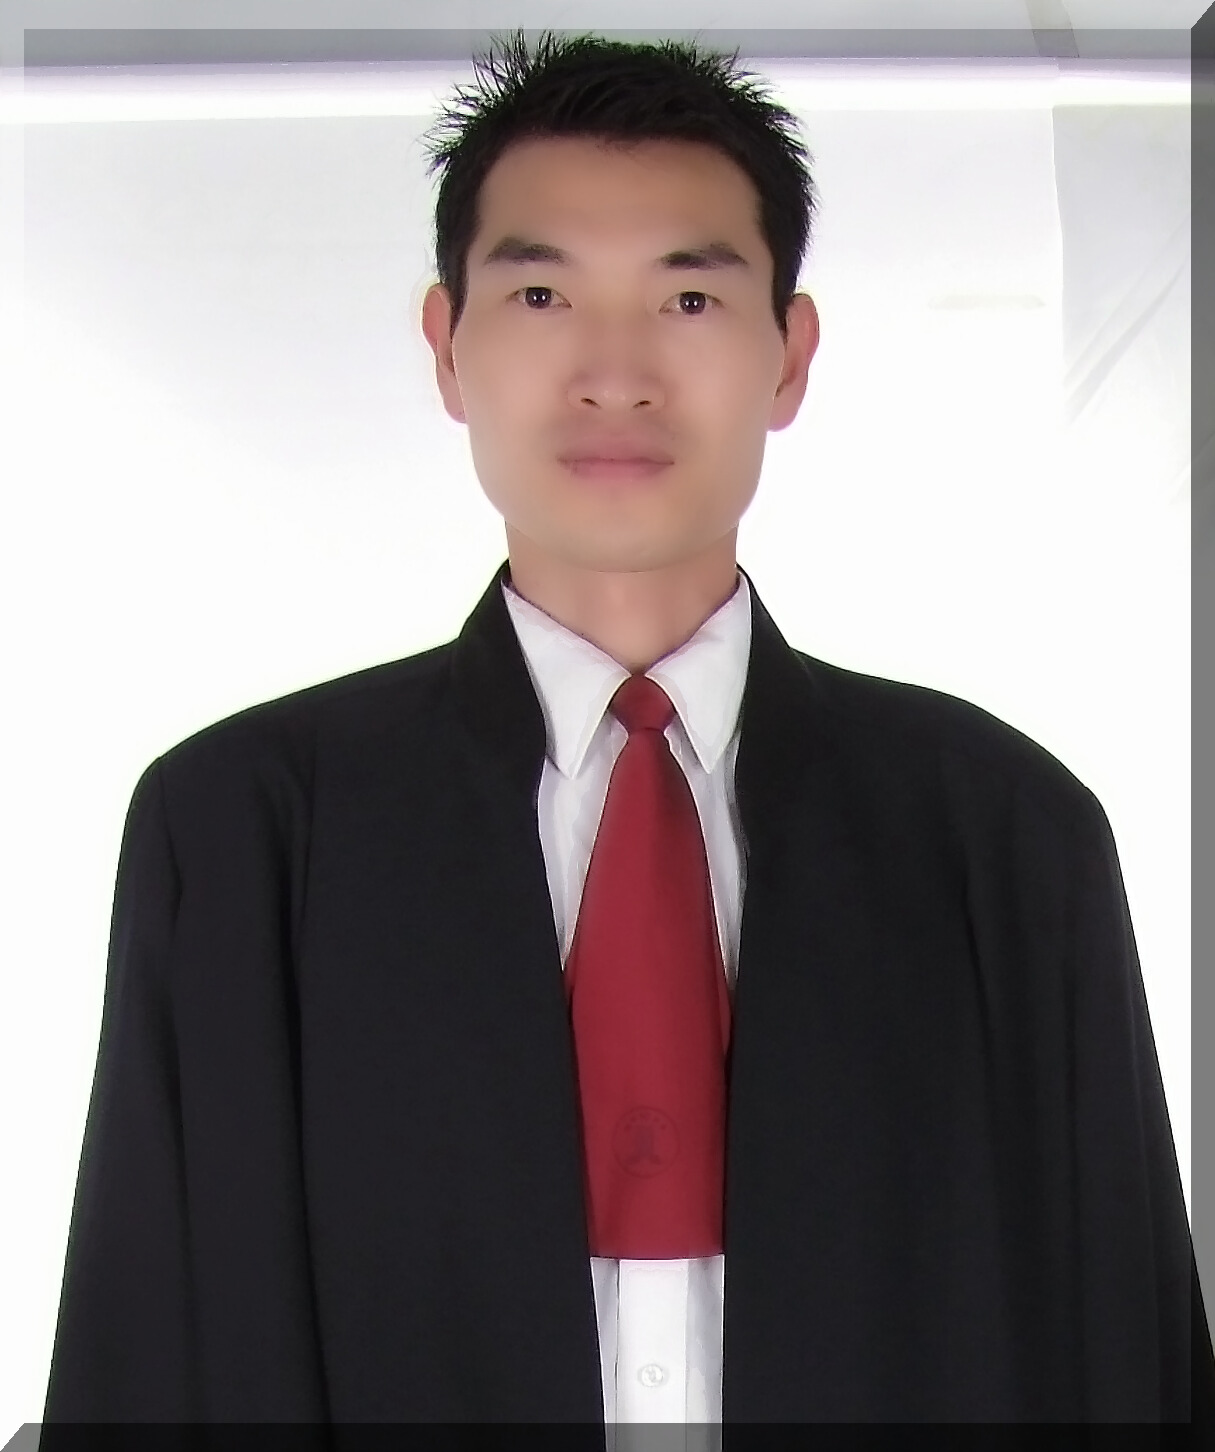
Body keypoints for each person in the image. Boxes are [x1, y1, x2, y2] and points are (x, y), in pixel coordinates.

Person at [40, 28, 1210, 1443]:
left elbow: (1118, 1345)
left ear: (789, 356)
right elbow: (152, 1356)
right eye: (540, 292)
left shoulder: (1003, 832)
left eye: (689, 298)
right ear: (447, 347)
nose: (615, 373)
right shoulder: (243, 831)